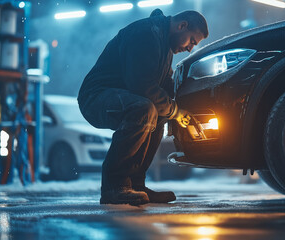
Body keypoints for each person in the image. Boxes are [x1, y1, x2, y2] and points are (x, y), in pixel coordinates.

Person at [77, 9, 208, 205]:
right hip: (96, 97)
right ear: (182, 26)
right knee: (145, 109)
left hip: (123, 96)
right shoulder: (147, 34)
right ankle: (115, 186)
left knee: (160, 113)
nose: (190, 48)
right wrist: (175, 110)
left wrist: (183, 110)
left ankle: (135, 185)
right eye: (191, 41)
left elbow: (163, 88)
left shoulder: (163, 46)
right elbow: (142, 86)